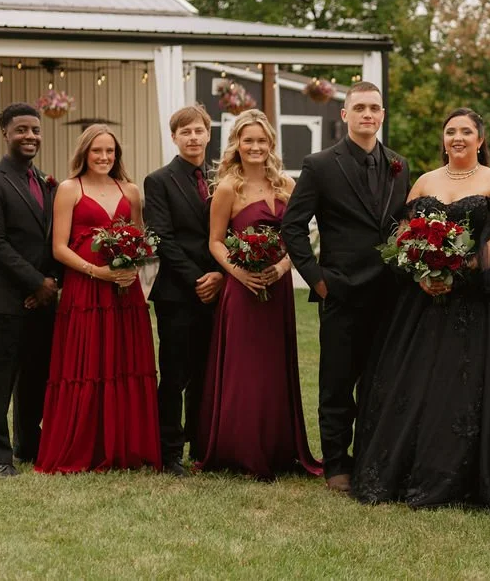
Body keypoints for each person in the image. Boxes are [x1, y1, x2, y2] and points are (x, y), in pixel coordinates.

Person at [351, 108, 490, 509]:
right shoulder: (425, 181)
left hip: (483, 300)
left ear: (480, 140)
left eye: (467, 132)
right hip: (424, 301)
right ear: (444, 139)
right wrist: (421, 272)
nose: (458, 138)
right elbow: (402, 233)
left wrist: (460, 271)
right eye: (451, 131)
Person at [281, 82, 410, 493]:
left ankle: (372, 458)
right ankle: (336, 462)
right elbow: (292, 227)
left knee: (380, 382)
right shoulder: (319, 165)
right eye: (360, 108)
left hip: (390, 294)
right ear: (345, 115)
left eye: (374, 108)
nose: (367, 115)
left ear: (383, 115)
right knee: (337, 383)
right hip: (340, 291)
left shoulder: (399, 165)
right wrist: (316, 280)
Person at [195, 109, 321, 478]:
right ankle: (240, 448)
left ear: (271, 144)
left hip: (277, 287)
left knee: (274, 369)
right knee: (244, 371)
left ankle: (280, 448)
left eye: (261, 141)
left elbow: (297, 238)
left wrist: (282, 268)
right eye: (247, 140)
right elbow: (216, 243)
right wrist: (239, 274)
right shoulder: (227, 189)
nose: (255, 147)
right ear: (237, 144)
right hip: (241, 287)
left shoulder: (287, 186)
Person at [35, 124, 161, 473]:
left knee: (125, 364)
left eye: (110, 151)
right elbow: (58, 247)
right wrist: (97, 272)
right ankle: (84, 447)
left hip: (125, 291)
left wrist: (133, 267)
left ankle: (126, 447)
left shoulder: (131, 191)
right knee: (87, 364)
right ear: (84, 154)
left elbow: (140, 238)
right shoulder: (69, 189)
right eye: (97, 151)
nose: (104, 157)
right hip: (85, 290)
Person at [0, 102, 60, 477]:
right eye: (21, 130)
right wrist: (35, 281)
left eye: (35, 130)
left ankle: (28, 445)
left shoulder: (45, 182)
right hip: (6, 296)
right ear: (4, 132)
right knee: (0, 377)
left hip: (42, 300)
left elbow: (52, 238)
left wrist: (50, 284)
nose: (30, 137)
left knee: (36, 376)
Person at [143, 104, 223, 476]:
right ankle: (169, 449)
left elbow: (229, 233)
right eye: (185, 132)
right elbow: (162, 237)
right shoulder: (158, 181)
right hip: (178, 292)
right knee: (175, 374)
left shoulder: (222, 179)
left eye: (199, 131)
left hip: (220, 288)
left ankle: (202, 445)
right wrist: (198, 279)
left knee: (207, 373)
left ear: (209, 134)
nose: (193, 137)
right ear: (174, 137)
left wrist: (219, 276)